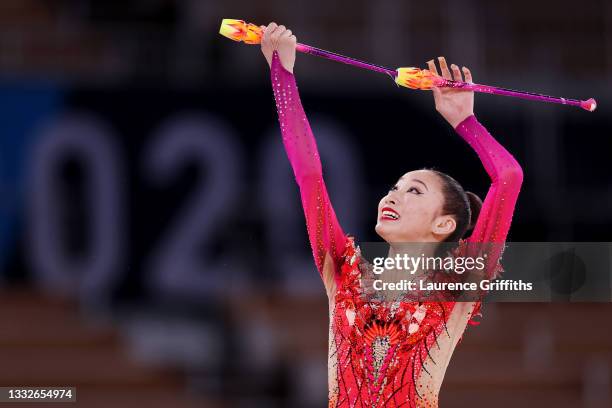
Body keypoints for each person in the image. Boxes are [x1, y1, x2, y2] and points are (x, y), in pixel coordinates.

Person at [260, 22, 523, 407]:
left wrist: (465, 122)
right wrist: (281, 72)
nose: (393, 196)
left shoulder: (459, 285)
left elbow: (508, 177)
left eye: (414, 190)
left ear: (444, 224)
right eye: (394, 188)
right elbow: (310, 176)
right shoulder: (343, 272)